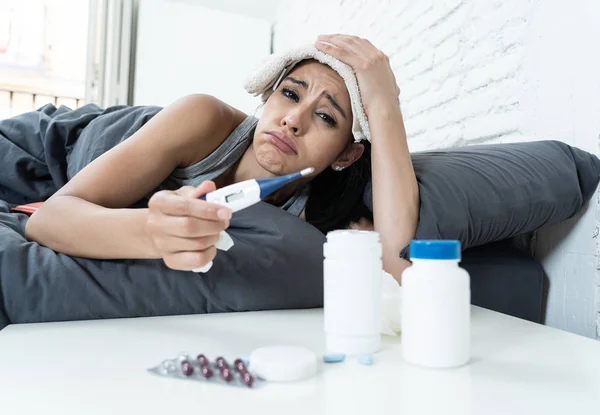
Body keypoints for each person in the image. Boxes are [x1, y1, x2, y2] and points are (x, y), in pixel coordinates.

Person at [24, 34, 419, 282]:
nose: (292, 121)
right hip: (48, 146)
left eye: (325, 116)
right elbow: (48, 220)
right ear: (268, 95)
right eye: (290, 94)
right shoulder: (201, 117)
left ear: (347, 155)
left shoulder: (313, 216)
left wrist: (385, 106)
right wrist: (150, 231)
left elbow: (397, 266)